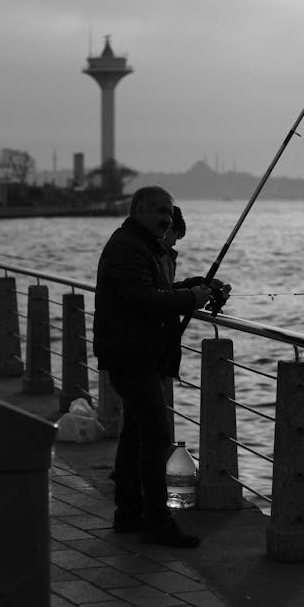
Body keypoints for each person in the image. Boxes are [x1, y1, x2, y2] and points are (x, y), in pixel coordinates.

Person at [93, 186, 213, 547]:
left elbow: (155, 290)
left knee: (135, 435)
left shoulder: (139, 244)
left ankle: (128, 512)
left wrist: (192, 287)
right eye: (160, 211)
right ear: (140, 209)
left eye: (169, 211)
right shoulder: (129, 246)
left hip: (136, 353)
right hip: (131, 357)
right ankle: (157, 521)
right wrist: (191, 298)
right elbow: (142, 299)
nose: (167, 218)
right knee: (157, 436)